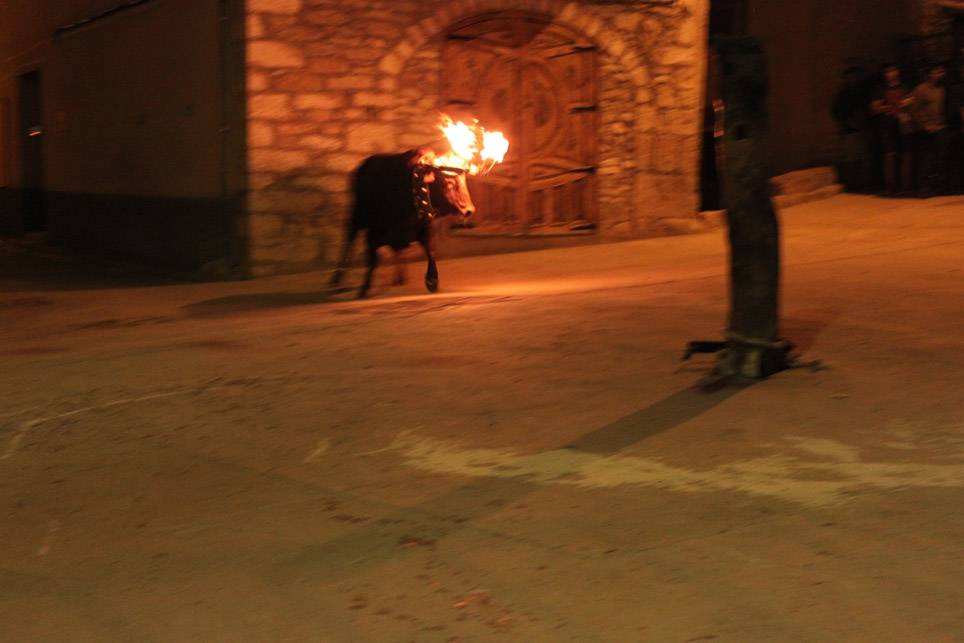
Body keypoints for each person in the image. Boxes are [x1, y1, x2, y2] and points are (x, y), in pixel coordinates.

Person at [871, 64, 914, 196]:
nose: (891, 74)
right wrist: (890, 107)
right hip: (888, 126)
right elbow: (874, 108)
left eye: (893, 71)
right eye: (888, 72)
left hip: (903, 123)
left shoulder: (904, 87)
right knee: (890, 156)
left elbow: (911, 102)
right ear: (885, 74)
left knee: (905, 155)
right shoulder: (880, 90)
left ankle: (906, 187)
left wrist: (905, 104)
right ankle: (891, 188)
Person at [911, 64, 949, 197]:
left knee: (939, 158)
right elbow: (915, 110)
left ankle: (936, 186)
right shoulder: (921, 89)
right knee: (927, 158)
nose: (940, 75)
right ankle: (924, 187)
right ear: (930, 73)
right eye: (937, 72)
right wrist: (924, 125)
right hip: (925, 129)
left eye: (941, 72)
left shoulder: (941, 89)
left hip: (939, 127)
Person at [832, 66, 871, 192]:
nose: (852, 79)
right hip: (850, 131)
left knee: (864, 157)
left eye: (854, 77)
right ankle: (853, 185)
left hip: (864, 128)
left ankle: (865, 184)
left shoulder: (862, 91)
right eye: (849, 77)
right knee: (852, 158)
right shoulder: (843, 94)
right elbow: (837, 111)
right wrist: (848, 122)